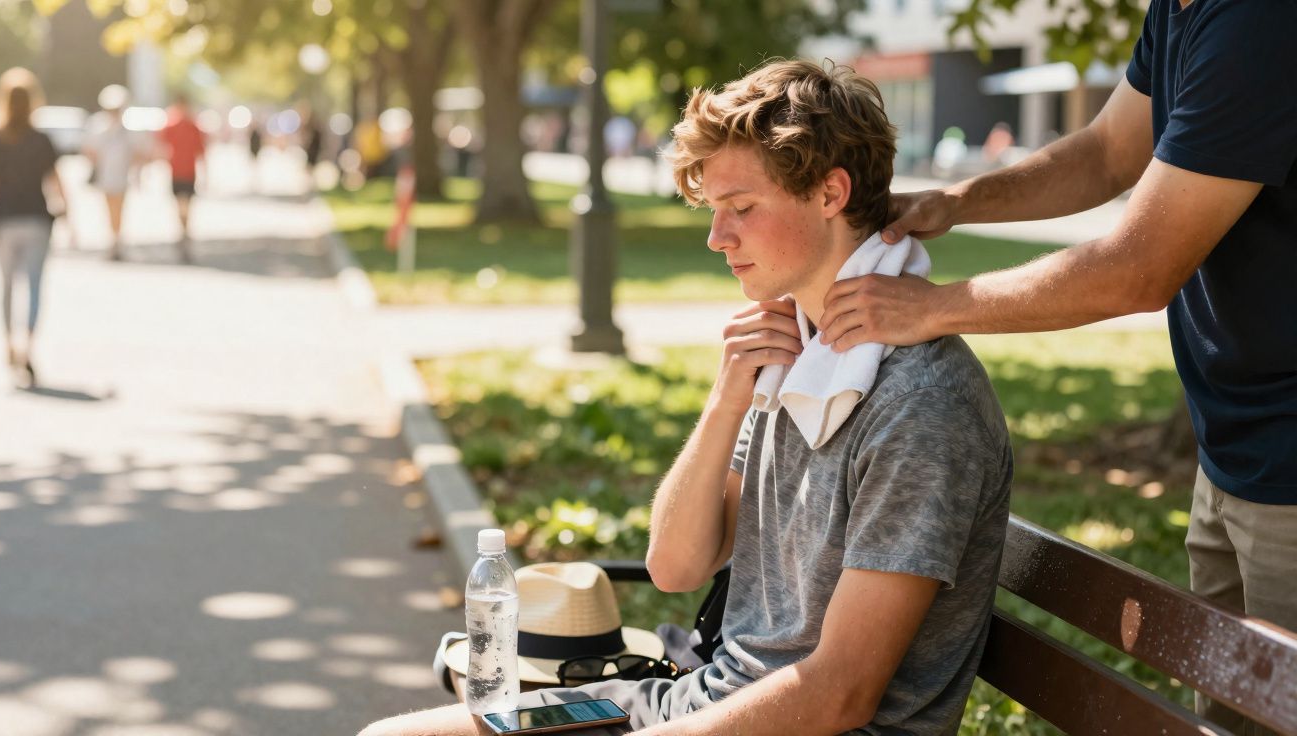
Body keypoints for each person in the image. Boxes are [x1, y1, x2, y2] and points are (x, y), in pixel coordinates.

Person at [359, 59, 1013, 736]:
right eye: (714, 210)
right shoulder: (803, 354)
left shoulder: (920, 401)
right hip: (695, 700)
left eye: (742, 208)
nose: (716, 237)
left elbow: (839, 694)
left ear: (830, 193)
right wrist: (727, 398)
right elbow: (675, 566)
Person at [819, 3, 1296, 733]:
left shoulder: (1261, 24)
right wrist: (958, 200)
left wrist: (932, 307)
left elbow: (1137, 269)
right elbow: (1108, 151)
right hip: (1235, 445)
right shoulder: (1182, 10)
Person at [0, 68, 68, 385]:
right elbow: (56, 182)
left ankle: (8, 343)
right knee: (34, 286)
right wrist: (70, 217)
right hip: (35, 218)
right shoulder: (42, 139)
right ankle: (28, 345)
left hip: (4, 220)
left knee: (5, 286)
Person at [83, 84, 140, 260]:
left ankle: (117, 240)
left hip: (121, 175)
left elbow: (136, 153)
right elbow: (90, 151)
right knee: (110, 207)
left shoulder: (127, 130)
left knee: (119, 208)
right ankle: (113, 240)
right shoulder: (99, 127)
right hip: (106, 175)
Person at [157, 94, 207, 263]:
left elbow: (201, 151)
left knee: (185, 206)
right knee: (181, 205)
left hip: (188, 172)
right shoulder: (172, 125)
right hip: (176, 171)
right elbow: (161, 146)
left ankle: (184, 233)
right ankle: (183, 233)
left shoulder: (193, 126)